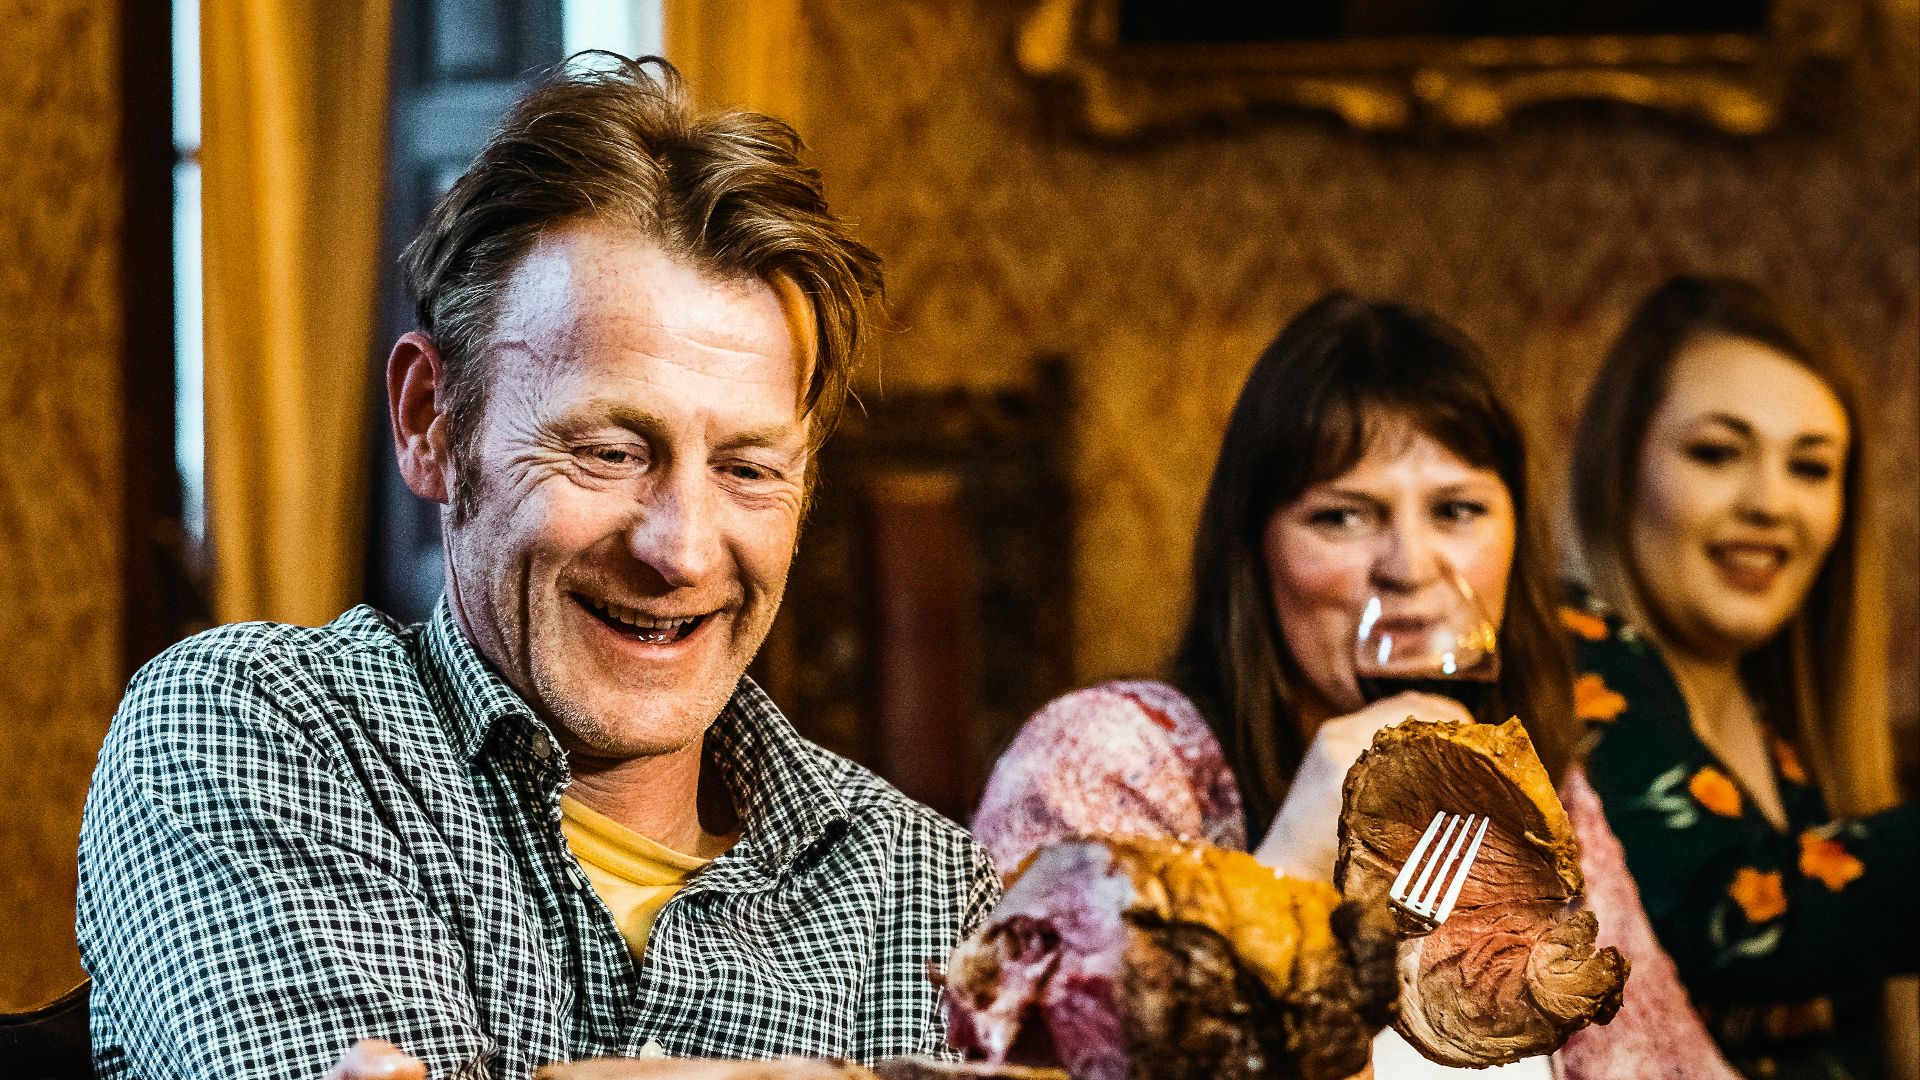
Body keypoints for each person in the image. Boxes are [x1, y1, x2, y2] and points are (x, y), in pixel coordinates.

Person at [77, 56, 999, 1080]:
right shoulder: (247, 731)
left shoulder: (925, 887)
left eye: (747, 469)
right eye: (608, 452)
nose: (682, 549)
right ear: (431, 421)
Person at [973, 292, 1740, 1079]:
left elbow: (1662, 1065)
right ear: (1254, 551)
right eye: (1342, 517)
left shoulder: (1530, 791)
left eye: (1458, 509)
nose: (1408, 566)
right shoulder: (1104, 762)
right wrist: (1291, 867)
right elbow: (1042, 1059)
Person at [1564, 276, 1919, 1080]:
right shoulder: (1568, 652)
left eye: (1811, 467)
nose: (1770, 502)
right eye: (1717, 453)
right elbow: (1714, 911)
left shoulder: (1789, 725)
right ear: (1619, 467)